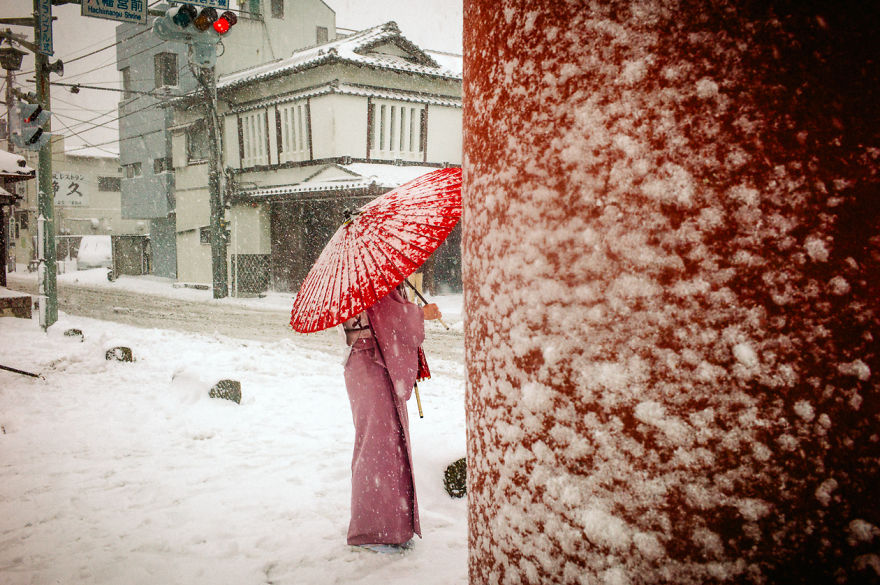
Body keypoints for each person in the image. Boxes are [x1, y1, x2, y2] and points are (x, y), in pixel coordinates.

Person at [341, 282, 442, 553]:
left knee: (377, 444)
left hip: (366, 363)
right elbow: (394, 319)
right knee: (382, 445)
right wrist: (422, 314)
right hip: (373, 363)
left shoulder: (361, 275)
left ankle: (382, 524)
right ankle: (378, 528)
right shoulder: (372, 279)